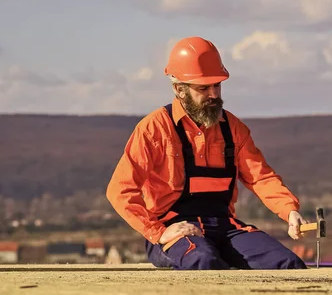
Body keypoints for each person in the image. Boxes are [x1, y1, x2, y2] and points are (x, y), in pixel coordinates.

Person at [106, 36, 308, 270]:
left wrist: (290, 211)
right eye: (203, 88)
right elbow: (119, 190)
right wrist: (158, 232)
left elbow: (260, 177)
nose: (214, 94)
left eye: (217, 85)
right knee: (203, 261)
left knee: (288, 263)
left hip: (225, 227)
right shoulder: (154, 129)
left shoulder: (234, 129)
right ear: (179, 89)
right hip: (176, 232)